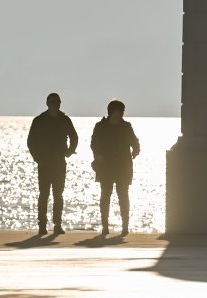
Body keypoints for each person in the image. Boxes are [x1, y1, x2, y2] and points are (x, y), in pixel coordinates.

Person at [27, 92, 78, 235]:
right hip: (44, 163)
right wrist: (37, 158)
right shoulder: (39, 120)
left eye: (58, 102)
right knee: (44, 194)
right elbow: (31, 141)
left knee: (58, 194)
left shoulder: (65, 120)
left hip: (59, 162)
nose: (56, 104)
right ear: (47, 103)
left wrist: (69, 151)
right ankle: (42, 225)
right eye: (53, 102)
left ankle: (57, 225)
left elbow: (74, 136)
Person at [90, 99, 140, 236]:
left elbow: (134, 142)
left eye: (123, 111)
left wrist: (136, 150)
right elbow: (94, 143)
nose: (122, 114)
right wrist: (98, 155)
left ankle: (125, 227)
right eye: (120, 111)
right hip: (105, 167)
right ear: (113, 111)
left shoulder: (126, 126)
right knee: (105, 196)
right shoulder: (100, 126)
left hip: (123, 167)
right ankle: (105, 226)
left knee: (123, 196)